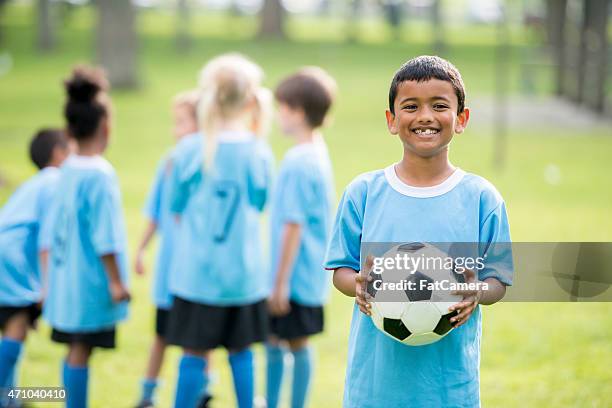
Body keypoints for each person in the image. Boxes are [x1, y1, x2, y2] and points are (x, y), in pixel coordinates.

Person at [324, 55, 513, 407]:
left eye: (439, 105)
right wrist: (360, 286)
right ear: (391, 120)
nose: (425, 116)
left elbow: (498, 282)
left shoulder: (481, 199)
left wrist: (476, 291)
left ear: (461, 119)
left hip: (449, 388)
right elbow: (341, 271)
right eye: (411, 106)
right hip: (375, 388)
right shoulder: (363, 193)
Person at [164, 53, 274, 408]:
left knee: (193, 353)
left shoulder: (188, 149)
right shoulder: (259, 151)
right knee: (242, 353)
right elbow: (259, 201)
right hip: (242, 277)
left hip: (197, 276)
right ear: (249, 99)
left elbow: (175, 206)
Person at [42, 66, 131, 408]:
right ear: (106, 128)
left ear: (68, 130)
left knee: (74, 351)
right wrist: (116, 282)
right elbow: (106, 237)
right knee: (80, 351)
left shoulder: (65, 170)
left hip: (65, 279)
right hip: (88, 282)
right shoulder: (100, 175)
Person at [266, 67, 337, 408]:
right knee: (290, 340)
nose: (278, 115)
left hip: (293, 278)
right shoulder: (318, 152)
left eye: (281, 107)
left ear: (296, 110)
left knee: (282, 340)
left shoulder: (297, 161)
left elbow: (292, 226)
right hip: (310, 276)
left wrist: (279, 284)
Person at [134, 90, 208, 408]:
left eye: (181, 123)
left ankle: (203, 391)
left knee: (202, 338)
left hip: (198, 270)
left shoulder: (210, 162)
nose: (175, 131)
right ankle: (147, 394)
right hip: (169, 270)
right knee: (162, 335)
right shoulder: (169, 161)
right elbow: (154, 212)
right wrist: (140, 248)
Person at [0, 129, 70, 407]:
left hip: (6, 255)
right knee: (16, 326)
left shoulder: (35, 183)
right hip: (13, 261)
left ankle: (11, 399)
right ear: (59, 153)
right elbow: (47, 241)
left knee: (11, 326)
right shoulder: (56, 181)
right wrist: (47, 286)